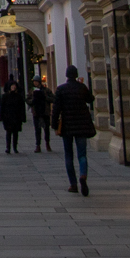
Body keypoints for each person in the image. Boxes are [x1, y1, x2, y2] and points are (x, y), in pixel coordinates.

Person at [54, 64, 96, 195]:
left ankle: (73, 184)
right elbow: (91, 99)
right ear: (76, 75)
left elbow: (56, 109)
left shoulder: (61, 89)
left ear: (67, 75)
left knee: (68, 155)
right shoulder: (81, 88)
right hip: (82, 125)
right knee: (82, 154)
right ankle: (83, 175)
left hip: (67, 126)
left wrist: (54, 125)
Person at [0, 77, 27, 154]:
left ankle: (15, 147)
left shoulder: (19, 96)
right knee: (8, 133)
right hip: (8, 118)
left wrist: (23, 118)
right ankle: (8, 147)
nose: (13, 87)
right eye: (12, 86)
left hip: (17, 118)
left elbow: (22, 108)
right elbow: (2, 107)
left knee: (15, 133)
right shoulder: (5, 96)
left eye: (14, 86)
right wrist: (1, 117)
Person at [29, 77, 54, 152]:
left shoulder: (46, 90)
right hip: (36, 112)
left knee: (46, 129)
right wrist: (32, 101)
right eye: (34, 82)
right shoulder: (32, 90)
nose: (35, 83)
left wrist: (45, 97)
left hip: (45, 112)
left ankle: (47, 143)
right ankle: (38, 145)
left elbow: (53, 98)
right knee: (37, 130)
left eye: (36, 81)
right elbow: (28, 99)